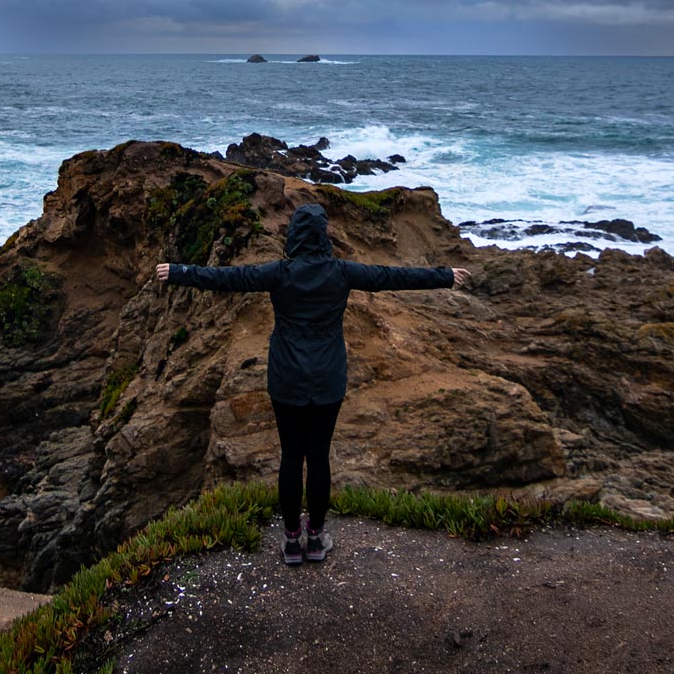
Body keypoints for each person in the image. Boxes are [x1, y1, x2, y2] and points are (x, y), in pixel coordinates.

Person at [155, 201, 469, 565]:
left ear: (294, 236)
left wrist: (180, 271)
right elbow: (390, 277)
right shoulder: (342, 272)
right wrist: (444, 275)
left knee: (291, 456)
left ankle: (291, 542)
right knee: (318, 458)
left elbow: (230, 278)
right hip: (327, 377)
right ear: (323, 235)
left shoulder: (279, 272)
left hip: (286, 378)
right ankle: (316, 539)